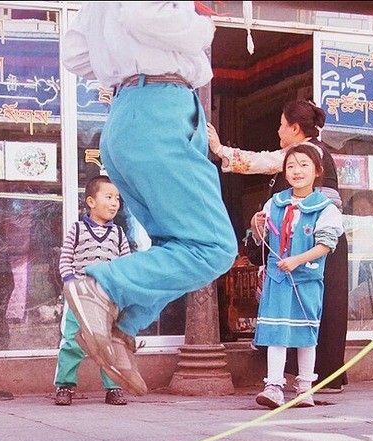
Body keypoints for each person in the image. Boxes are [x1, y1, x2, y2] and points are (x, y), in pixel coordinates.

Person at [61, 2, 238, 395]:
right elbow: (143, 15)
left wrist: (122, 60)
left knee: (176, 247)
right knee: (213, 247)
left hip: (127, 114)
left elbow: (74, 54)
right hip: (161, 108)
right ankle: (102, 288)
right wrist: (202, 26)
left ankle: (122, 329)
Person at [208, 99, 349, 393]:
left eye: (282, 125)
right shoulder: (316, 153)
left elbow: (259, 161)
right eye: (291, 167)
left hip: (311, 244)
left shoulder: (303, 153)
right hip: (313, 244)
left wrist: (220, 149)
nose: (278, 130)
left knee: (303, 312)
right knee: (315, 310)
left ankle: (308, 378)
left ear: (295, 129)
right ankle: (314, 377)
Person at [249, 143, 344, 409]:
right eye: (291, 166)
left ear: (317, 171)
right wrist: (255, 226)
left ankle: (304, 388)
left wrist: (297, 260)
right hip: (278, 279)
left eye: (303, 165)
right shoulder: (274, 203)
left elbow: (326, 245)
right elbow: (261, 239)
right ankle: (274, 387)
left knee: (306, 334)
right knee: (276, 332)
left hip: (306, 280)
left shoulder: (326, 208)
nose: (296, 171)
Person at [54, 176, 131, 406]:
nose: (114, 203)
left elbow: (126, 264)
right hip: (79, 297)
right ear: (91, 201)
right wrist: (71, 282)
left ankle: (114, 387)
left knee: (109, 342)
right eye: (108, 197)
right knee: (72, 341)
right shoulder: (77, 230)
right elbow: (65, 259)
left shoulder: (118, 233)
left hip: (107, 299)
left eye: (117, 198)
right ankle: (64, 385)